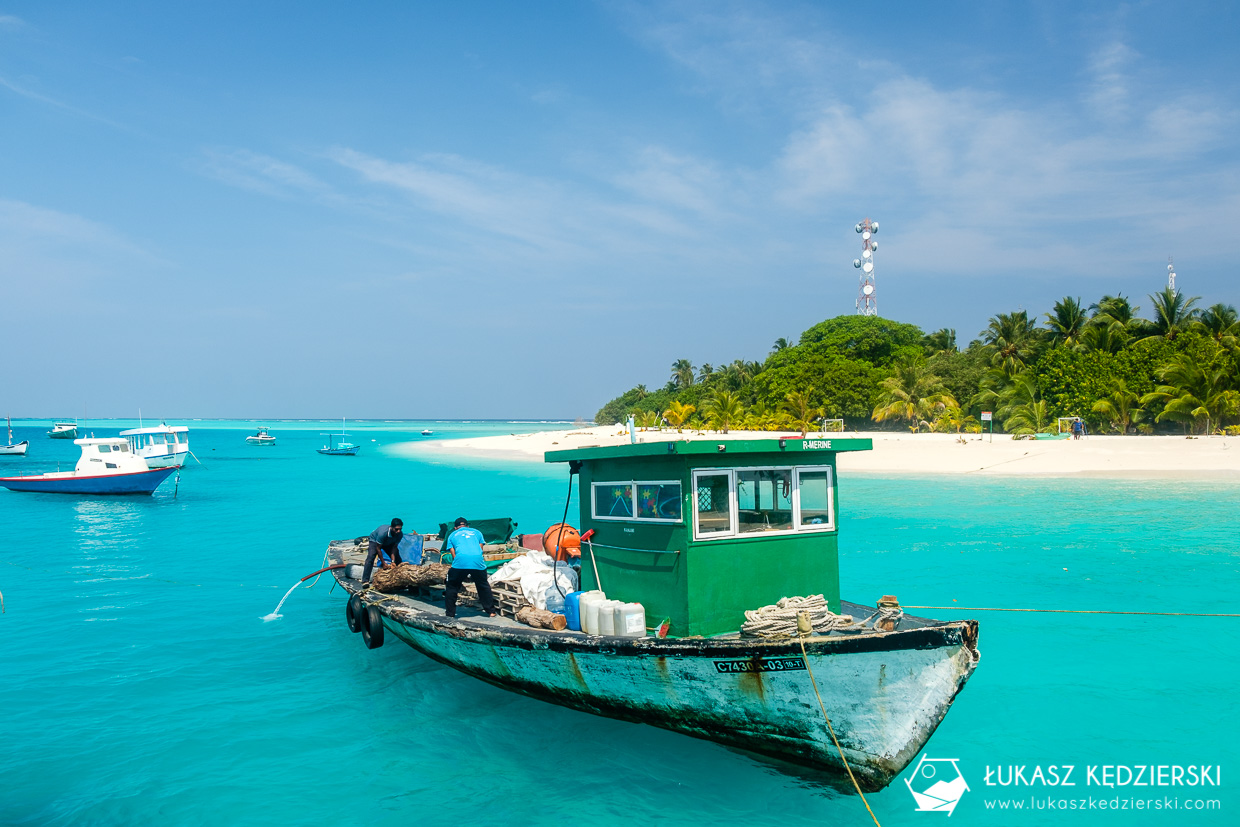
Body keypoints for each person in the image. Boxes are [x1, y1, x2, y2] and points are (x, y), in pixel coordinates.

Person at [442, 517, 496, 618]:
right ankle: (491, 611)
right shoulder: (477, 532)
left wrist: (460, 566)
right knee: (483, 585)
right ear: (467, 526)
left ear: (455, 528)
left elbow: (453, 553)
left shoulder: (452, 535)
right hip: (477, 560)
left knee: (452, 586)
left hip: (461, 561)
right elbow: (480, 549)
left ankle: (450, 614)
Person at [363, 518, 405, 583]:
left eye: (400, 529)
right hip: (375, 542)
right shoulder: (383, 533)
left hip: (388, 542)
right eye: (396, 529)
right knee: (371, 557)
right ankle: (365, 580)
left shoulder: (400, 534)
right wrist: (383, 563)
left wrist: (393, 561)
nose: (398, 531)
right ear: (391, 527)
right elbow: (378, 548)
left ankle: (402, 578)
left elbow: (394, 548)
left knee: (398, 559)